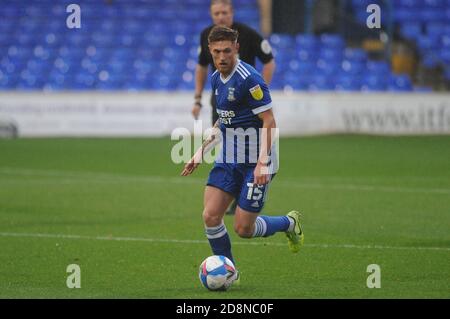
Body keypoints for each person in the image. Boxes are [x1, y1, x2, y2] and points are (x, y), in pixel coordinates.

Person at [181, 26, 303, 284]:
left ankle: (288, 223)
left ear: (236, 48)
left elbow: (269, 121)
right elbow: (222, 122)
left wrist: (262, 162)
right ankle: (230, 273)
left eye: (227, 50)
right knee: (210, 216)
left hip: (256, 162)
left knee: (243, 229)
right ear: (210, 51)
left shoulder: (250, 79)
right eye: (216, 52)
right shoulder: (215, 79)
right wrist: (200, 152)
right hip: (228, 158)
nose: (222, 56)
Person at [192, 0, 276, 216]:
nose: (220, 16)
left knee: (247, 141)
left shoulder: (247, 34)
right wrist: (198, 99)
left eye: (224, 12)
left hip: (247, 102)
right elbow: (201, 66)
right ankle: (231, 189)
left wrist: (259, 92)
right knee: (223, 139)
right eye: (216, 13)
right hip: (222, 98)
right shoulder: (206, 36)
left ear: (232, 13)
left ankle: (244, 189)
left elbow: (269, 61)